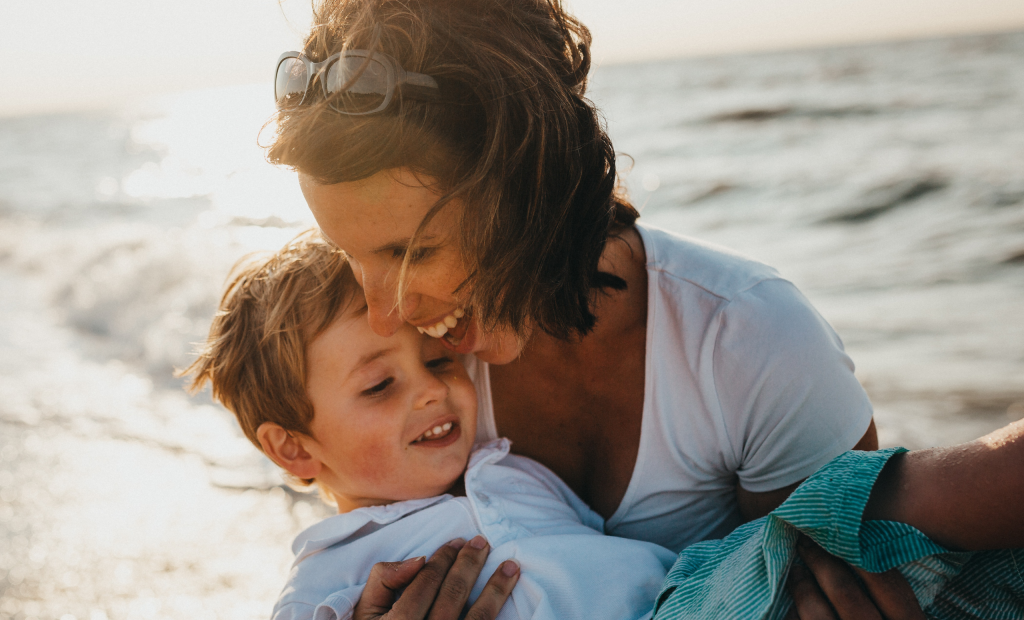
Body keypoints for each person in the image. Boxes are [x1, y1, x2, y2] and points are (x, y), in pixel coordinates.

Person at [265, 0, 883, 616]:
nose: (382, 313)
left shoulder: (748, 340)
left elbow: (848, 591)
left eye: (411, 252)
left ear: (529, 189)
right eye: (349, 255)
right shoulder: (415, 379)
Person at [183, 232, 679, 620]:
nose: (431, 390)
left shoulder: (515, 468)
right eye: (379, 385)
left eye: (440, 360)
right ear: (293, 448)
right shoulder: (326, 581)